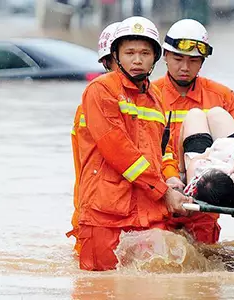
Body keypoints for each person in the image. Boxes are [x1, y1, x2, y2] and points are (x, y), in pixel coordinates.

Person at [75, 16, 191, 271]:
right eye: (129, 53)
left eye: (145, 53)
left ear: (155, 58)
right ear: (116, 55)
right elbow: (118, 150)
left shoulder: (156, 97)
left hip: (148, 211)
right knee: (99, 288)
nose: (137, 60)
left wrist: (172, 179)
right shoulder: (101, 89)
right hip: (107, 214)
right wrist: (164, 191)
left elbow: (163, 150)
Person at [153, 19, 234, 244]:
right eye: (178, 59)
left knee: (205, 265)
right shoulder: (150, 95)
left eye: (193, 60)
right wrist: (169, 180)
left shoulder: (222, 96)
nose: (185, 67)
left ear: (202, 62)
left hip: (205, 196)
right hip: (161, 195)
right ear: (165, 56)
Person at [66, 21, 120, 256]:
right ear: (108, 62)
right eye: (124, 57)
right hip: (98, 212)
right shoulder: (97, 100)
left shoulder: (149, 99)